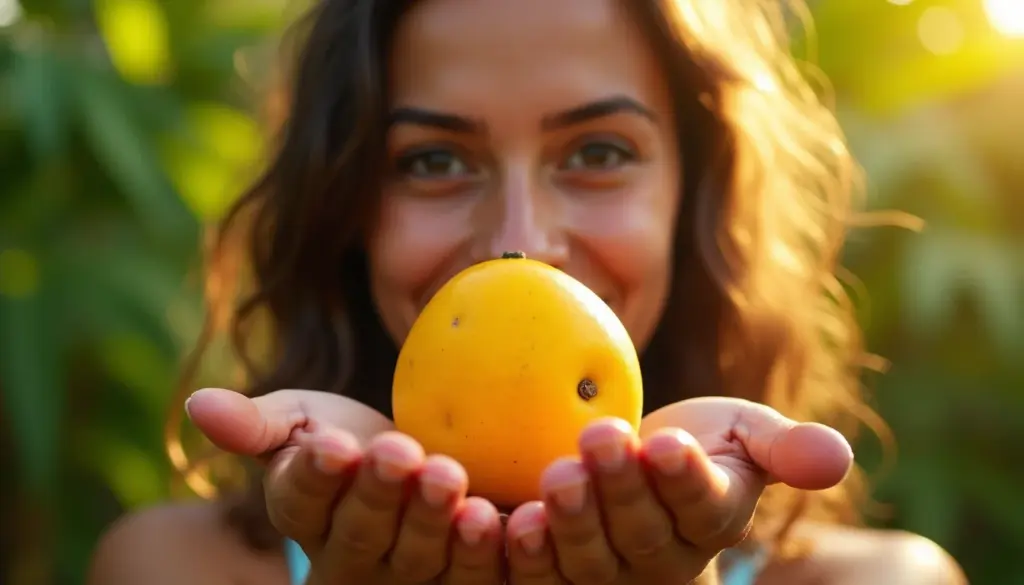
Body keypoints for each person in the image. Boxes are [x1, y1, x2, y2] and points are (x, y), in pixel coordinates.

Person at [87, 0, 969, 584]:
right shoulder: (169, 566)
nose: (521, 243)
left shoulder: (879, 579)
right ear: (347, 209)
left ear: (691, 197)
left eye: (597, 152)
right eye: (433, 161)